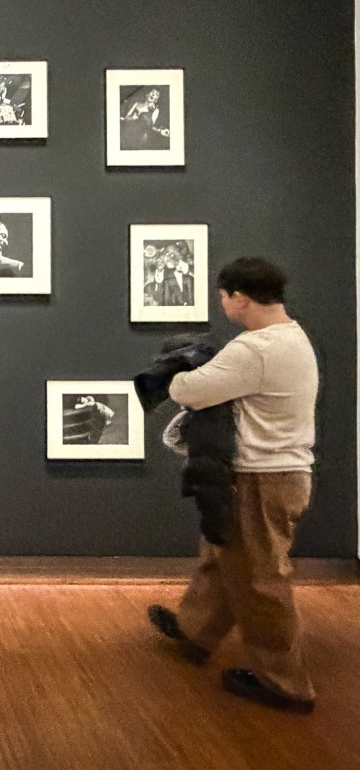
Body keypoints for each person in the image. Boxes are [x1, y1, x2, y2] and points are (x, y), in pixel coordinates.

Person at [147, 257, 319, 714]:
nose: (221, 302)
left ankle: (286, 684)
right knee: (222, 553)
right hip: (278, 473)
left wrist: (176, 371)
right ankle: (195, 631)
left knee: (260, 579)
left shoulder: (256, 350)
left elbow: (189, 390)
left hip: (261, 477)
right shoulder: (292, 337)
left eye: (222, 295)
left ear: (239, 296)